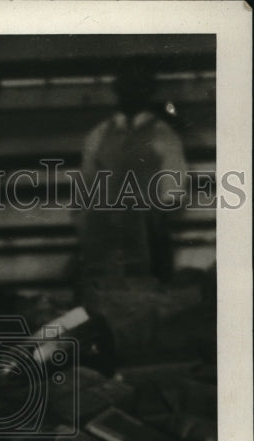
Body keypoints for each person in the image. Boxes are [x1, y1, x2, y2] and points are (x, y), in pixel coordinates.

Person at [78, 56, 189, 290]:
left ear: (149, 90)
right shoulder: (98, 135)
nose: (132, 92)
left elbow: (174, 190)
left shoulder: (164, 134)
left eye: (140, 85)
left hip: (149, 238)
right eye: (127, 85)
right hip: (104, 236)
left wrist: (150, 219)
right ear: (116, 89)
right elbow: (86, 186)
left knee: (150, 302)